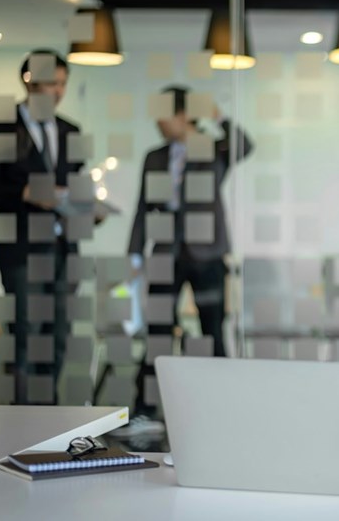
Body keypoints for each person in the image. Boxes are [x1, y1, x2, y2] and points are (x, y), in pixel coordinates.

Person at [117, 85, 252, 434]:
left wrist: (216, 114)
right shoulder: (155, 157)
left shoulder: (213, 148)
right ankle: (146, 410)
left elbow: (245, 143)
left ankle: (227, 406)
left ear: (181, 115)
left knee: (213, 331)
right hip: (165, 253)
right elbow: (142, 209)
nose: (157, 122)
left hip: (206, 254)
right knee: (158, 333)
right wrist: (134, 255)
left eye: (163, 114)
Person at [0, 49, 86, 404]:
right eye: (51, 83)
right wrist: (24, 192)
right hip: (22, 247)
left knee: (58, 335)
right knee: (26, 332)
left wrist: (89, 207)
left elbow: (76, 183)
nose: (57, 91)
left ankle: (48, 416)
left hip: (63, 247)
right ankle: (23, 419)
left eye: (62, 84)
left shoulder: (71, 131)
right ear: (29, 80)